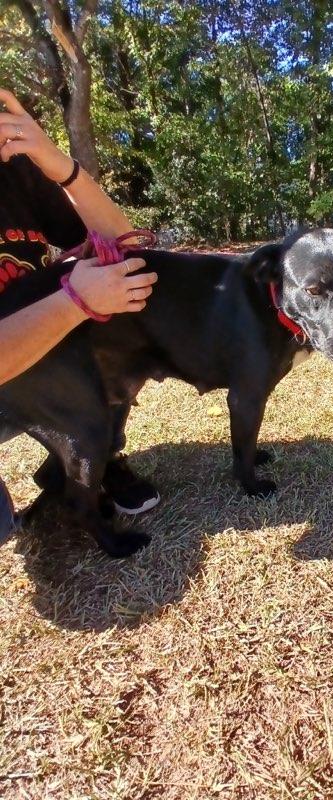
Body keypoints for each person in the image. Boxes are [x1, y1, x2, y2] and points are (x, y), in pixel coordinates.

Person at [0, 88, 161, 546]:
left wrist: (57, 164)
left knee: (125, 293)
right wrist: (75, 301)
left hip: (38, 357)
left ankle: (91, 457)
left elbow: (126, 245)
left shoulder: (12, 171)